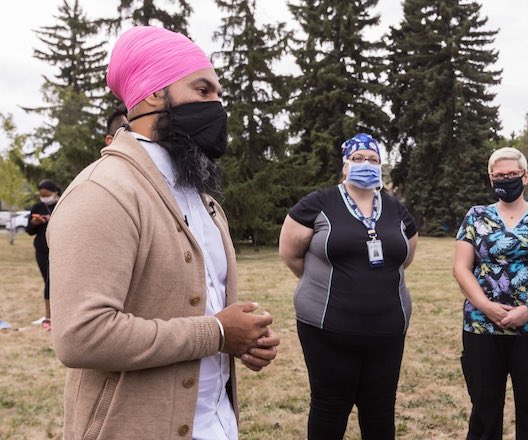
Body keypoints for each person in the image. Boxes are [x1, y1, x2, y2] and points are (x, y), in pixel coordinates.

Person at [48, 26, 279, 439]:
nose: (218, 106)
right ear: (154, 94)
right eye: (203, 90)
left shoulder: (203, 199)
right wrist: (219, 332)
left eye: (218, 94)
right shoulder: (103, 192)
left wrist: (241, 340)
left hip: (216, 424)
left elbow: (198, 307)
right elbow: (81, 337)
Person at [278, 133, 418, 440]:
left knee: (380, 409)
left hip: (388, 329)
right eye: (358, 158)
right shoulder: (318, 203)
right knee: (330, 407)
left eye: (373, 159)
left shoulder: (397, 210)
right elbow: (290, 254)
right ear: (345, 166)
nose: (366, 164)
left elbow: (404, 258)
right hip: (327, 329)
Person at [453, 147, 528, 440]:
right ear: (491, 180)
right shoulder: (476, 216)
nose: (506, 179)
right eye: (499, 175)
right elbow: (461, 268)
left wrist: (527, 310)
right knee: (484, 410)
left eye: (512, 174)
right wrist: (485, 306)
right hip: (481, 326)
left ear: (525, 176)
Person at [26, 179, 61, 330]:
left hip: (59, 248)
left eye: (46, 194)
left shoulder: (62, 204)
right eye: (41, 194)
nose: (44, 197)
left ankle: (54, 316)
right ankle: (50, 316)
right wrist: (35, 222)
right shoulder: (37, 207)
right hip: (42, 249)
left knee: (54, 281)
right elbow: (29, 231)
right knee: (48, 281)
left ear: (55, 192)